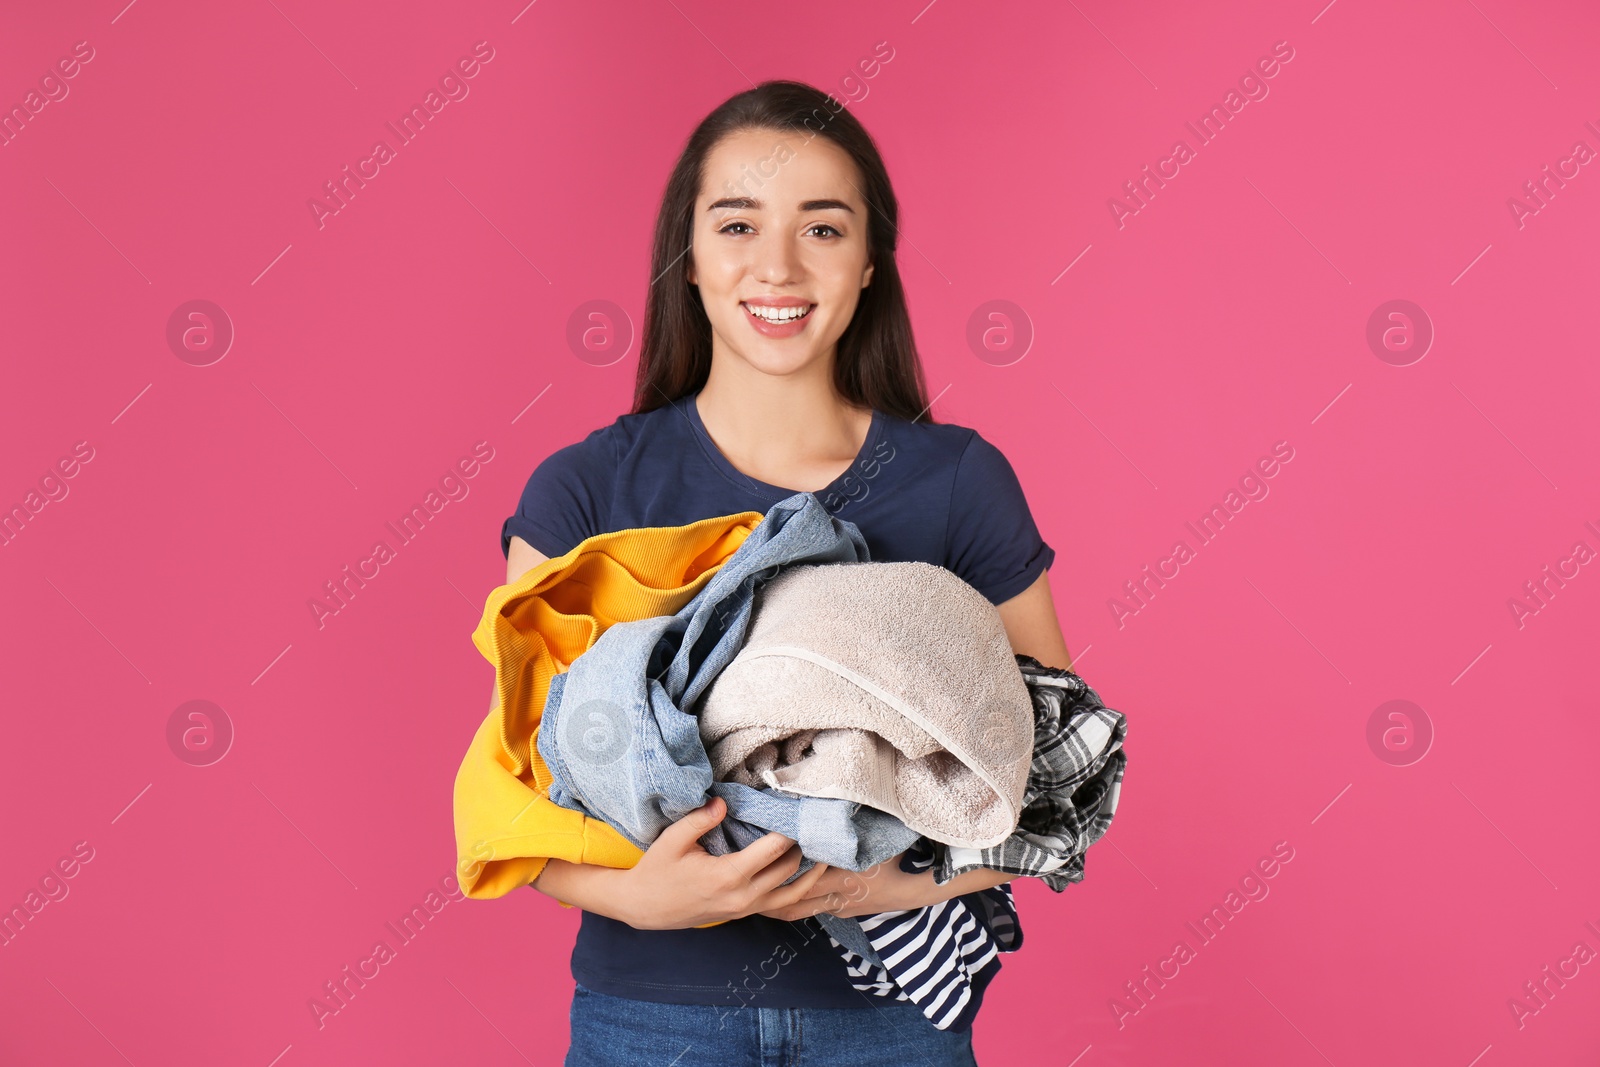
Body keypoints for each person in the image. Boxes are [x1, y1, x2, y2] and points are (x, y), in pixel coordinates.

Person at [498, 79, 1072, 1067]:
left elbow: (1052, 771)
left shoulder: (957, 484)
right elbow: (510, 787)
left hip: (892, 1022)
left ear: (866, 265)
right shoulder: (583, 491)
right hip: (652, 1017)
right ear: (688, 258)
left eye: (821, 228)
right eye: (736, 225)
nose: (775, 265)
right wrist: (639, 893)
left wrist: (893, 884)